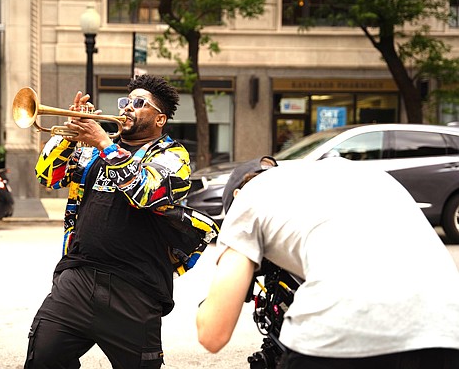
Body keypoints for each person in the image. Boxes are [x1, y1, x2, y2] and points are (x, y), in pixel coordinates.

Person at [24, 74, 219, 368]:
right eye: (125, 101)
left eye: (139, 103)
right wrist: (68, 135)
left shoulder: (173, 156)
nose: (127, 107)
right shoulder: (92, 150)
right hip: (78, 276)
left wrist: (103, 141)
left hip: (136, 288)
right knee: (42, 359)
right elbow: (47, 176)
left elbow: (146, 192)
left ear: (159, 119)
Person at [196, 156, 459, 368]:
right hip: (448, 329)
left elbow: (213, 334)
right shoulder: (359, 173)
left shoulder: (249, 199)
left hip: (340, 336)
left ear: (237, 194)